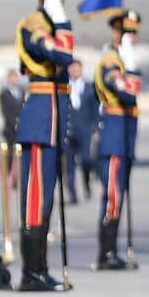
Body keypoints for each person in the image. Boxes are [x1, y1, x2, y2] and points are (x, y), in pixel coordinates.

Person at [12, 0, 74, 292]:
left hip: (53, 120)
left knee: (46, 200)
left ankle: (41, 268)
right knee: (36, 200)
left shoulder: (53, 24)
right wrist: (59, 18)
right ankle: (31, 272)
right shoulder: (33, 25)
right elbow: (62, 55)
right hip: (40, 120)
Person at [95, 9, 142, 271]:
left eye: (133, 33)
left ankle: (112, 249)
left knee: (119, 194)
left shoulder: (121, 61)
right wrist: (131, 69)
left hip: (125, 136)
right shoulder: (111, 60)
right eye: (127, 33)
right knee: (113, 195)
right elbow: (126, 91)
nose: (132, 38)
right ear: (117, 33)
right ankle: (106, 252)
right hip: (114, 135)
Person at [65, 59, 97, 200]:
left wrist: (95, 129)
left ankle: (86, 184)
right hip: (68, 131)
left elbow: (95, 110)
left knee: (86, 160)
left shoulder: (89, 87)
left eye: (77, 68)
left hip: (84, 130)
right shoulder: (64, 87)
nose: (74, 71)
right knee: (69, 164)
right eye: (72, 68)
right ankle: (72, 193)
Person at [0, 69, 24, 175]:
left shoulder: (21, 92)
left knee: (20, 153)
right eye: (12, 77)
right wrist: (15, 124)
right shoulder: (4, 93)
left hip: (21, 128)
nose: (14, 79)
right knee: (9, 154)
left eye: (15, 77)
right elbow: (6, 112)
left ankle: (19, 175)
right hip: (10, 129)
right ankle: (9, 175)